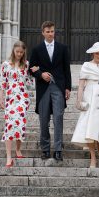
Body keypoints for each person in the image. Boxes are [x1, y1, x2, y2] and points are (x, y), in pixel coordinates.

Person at [29, 21, 71, 161]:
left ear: (54, 32)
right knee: (44, 120)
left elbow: (67, 69)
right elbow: (31, 69)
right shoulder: (36, 49)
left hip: (58, 87)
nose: (50, 34)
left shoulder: (63, 48)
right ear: (43, 33)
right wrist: (41, 74)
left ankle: (58, 150)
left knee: (58, 118)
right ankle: (45, 149)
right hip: (43, 88)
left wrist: (68, 88)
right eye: (47, 31)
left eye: (52, 31)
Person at [0, 41, 35, 167]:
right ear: (13, 51)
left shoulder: (26, 64)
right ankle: (9, 157)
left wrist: (34, 73)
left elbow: (30, 83)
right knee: (9, 124)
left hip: (22, 98)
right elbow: (2, 82)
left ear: (24, 52)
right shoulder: (6, 64)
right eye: (17, 52)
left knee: (20, 123)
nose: (19, 54)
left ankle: (18, 149)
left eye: (21, 52)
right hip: (10, 97)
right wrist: (1, 98)